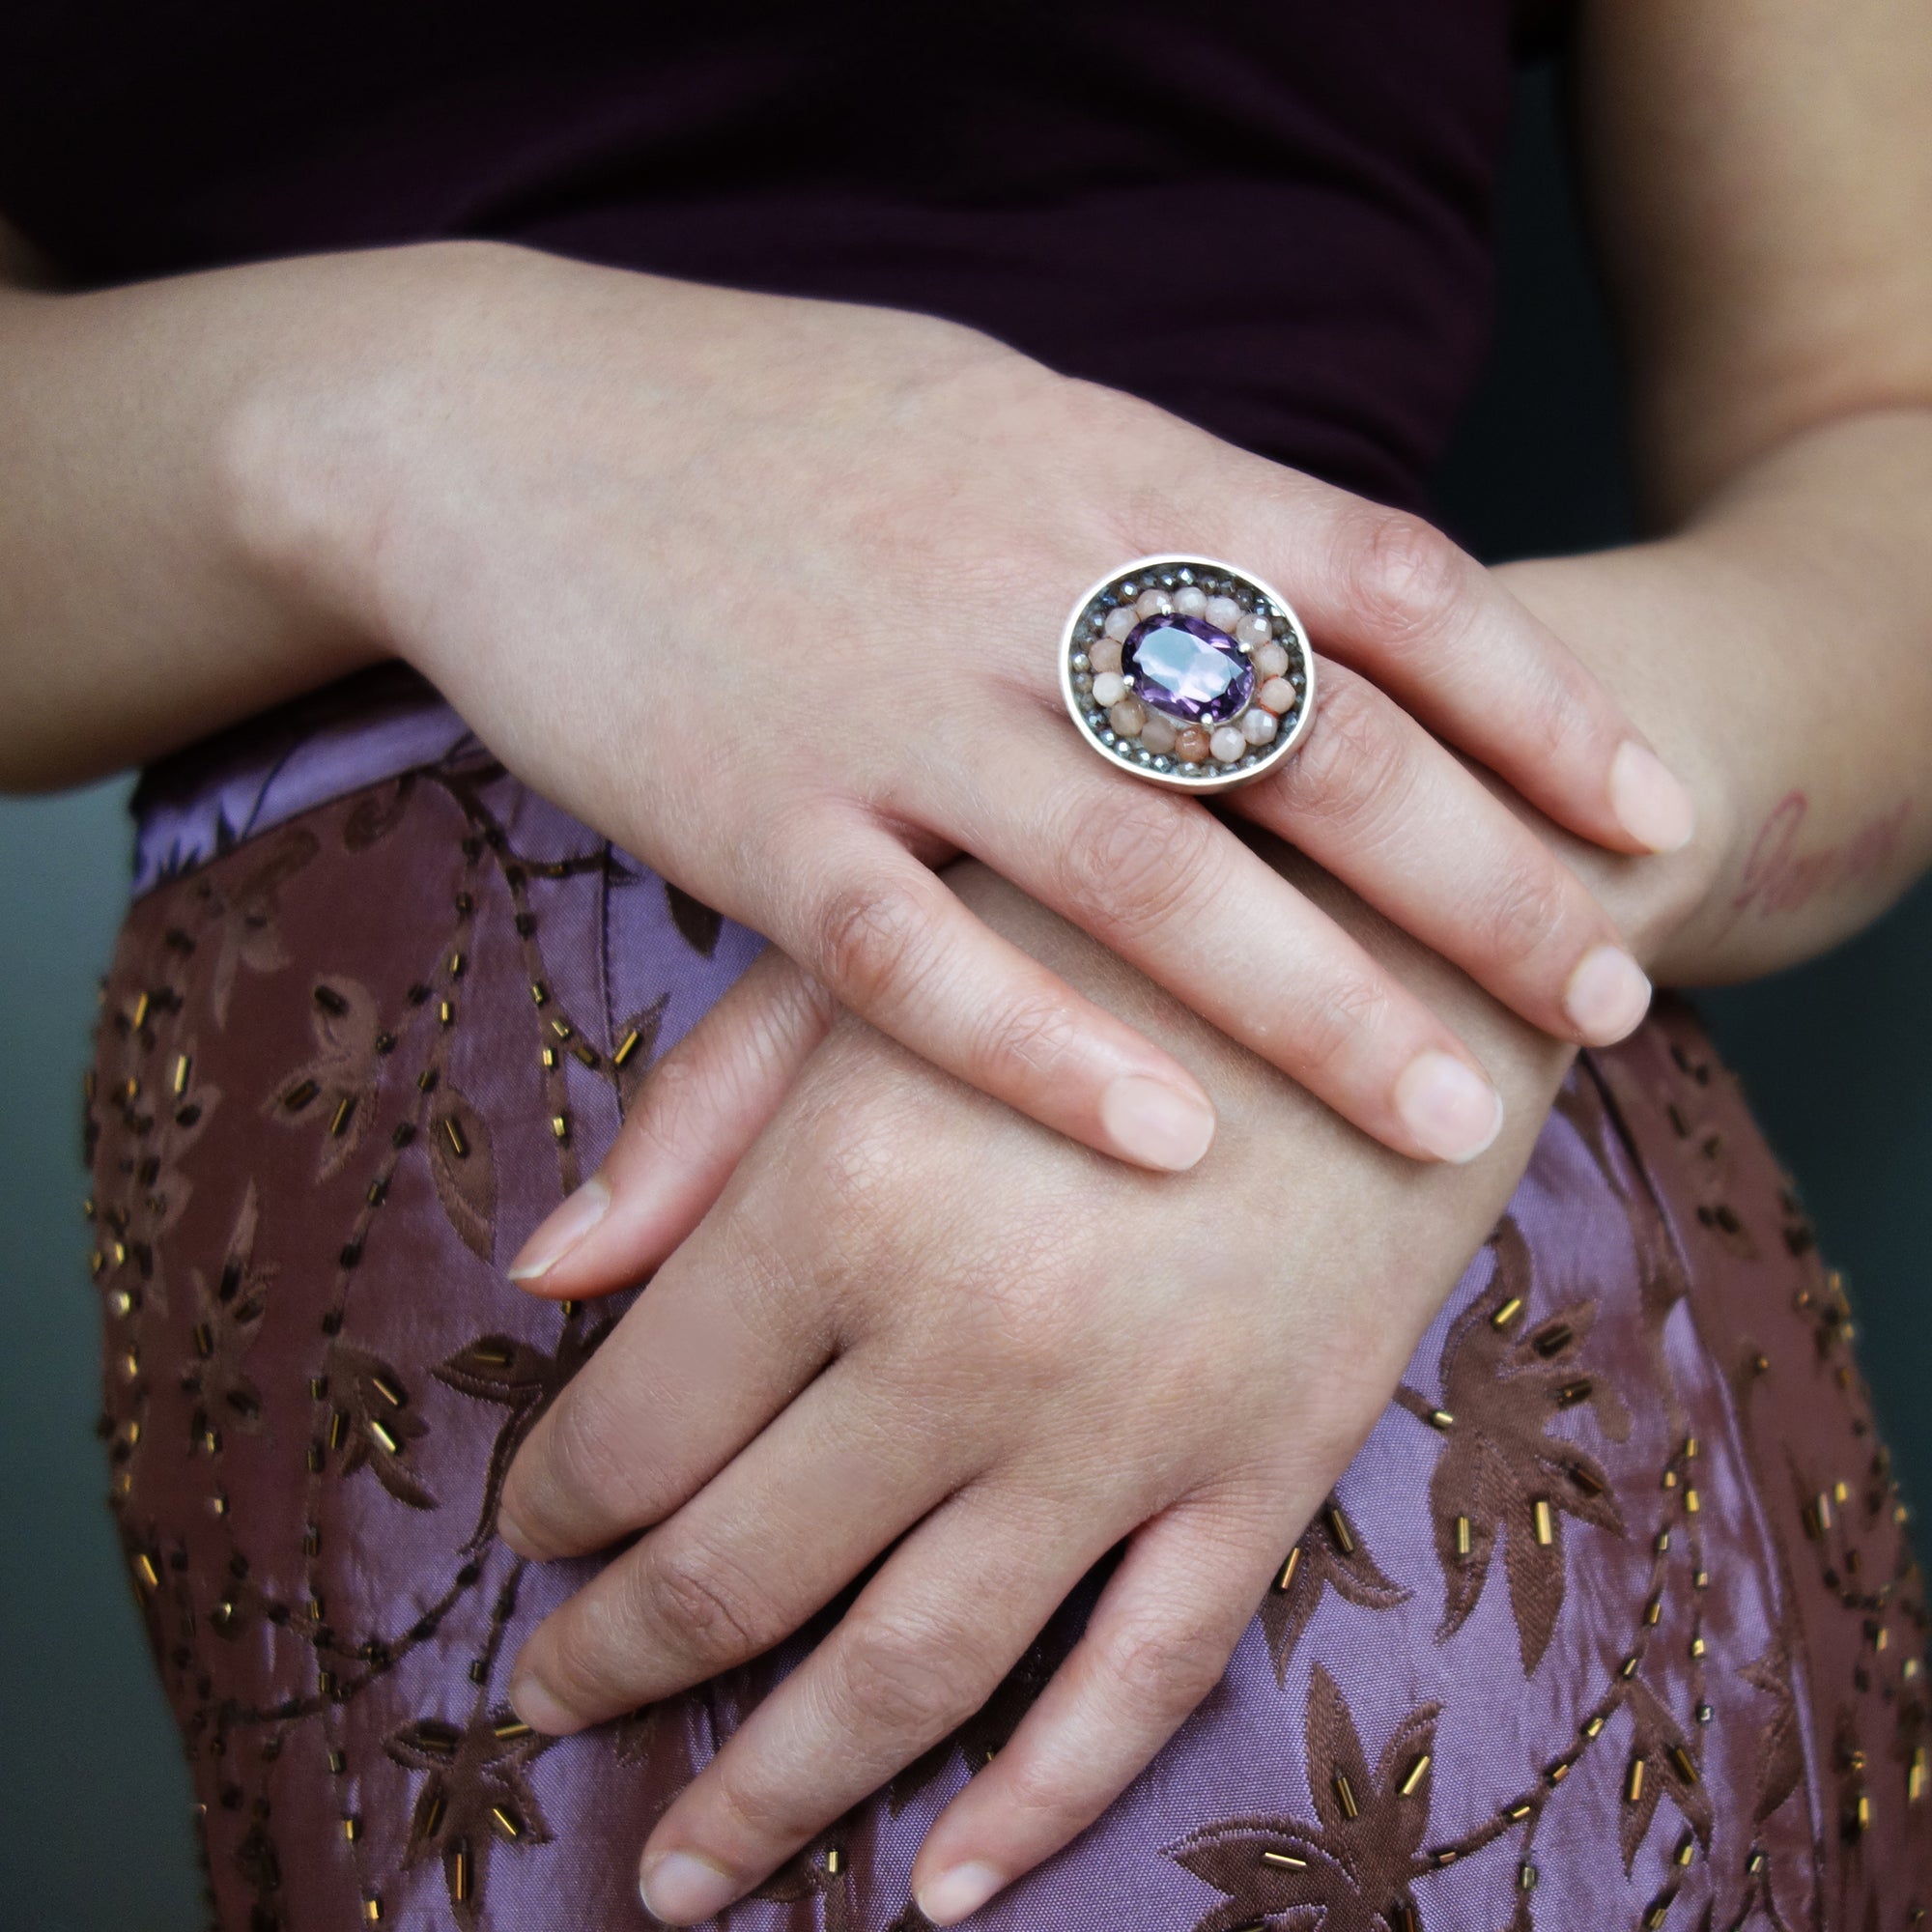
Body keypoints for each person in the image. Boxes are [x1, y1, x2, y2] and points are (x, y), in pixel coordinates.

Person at [3, 0, 1928, 1925]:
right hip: (390, 1244)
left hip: (1361, 1229)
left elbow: (1877, 427)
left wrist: (1436, 873)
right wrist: (400, 421)